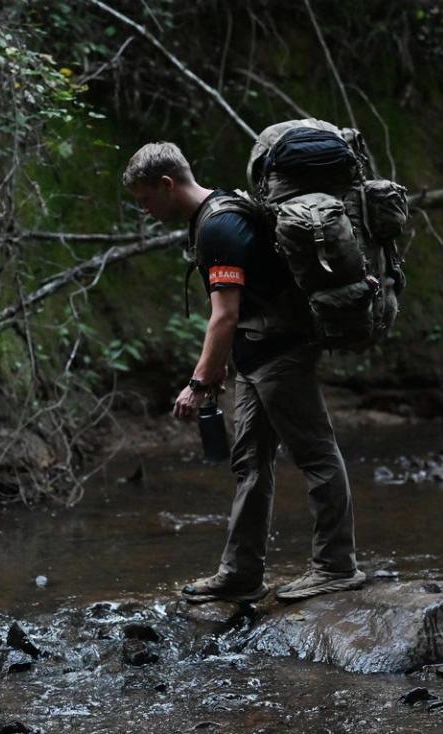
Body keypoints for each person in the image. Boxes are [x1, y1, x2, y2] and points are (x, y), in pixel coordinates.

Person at [122, 141, 366, 603]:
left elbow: (224, 316)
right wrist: (222, 369)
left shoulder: (219, 228)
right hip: (255, 356)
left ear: (167, 184)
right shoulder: (218, 214)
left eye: (145, 199)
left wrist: (198, 383)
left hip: (279, 353)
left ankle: (336, 565)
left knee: (315, 455)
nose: (145, 210)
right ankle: (241, 573)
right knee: (250, 463)